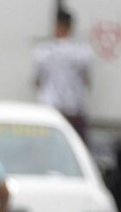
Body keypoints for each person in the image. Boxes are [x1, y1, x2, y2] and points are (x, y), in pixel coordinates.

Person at [33, 7, 93, 141]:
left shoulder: (43, 51)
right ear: (71, 26)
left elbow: (37, 81)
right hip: (74, 109)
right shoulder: (82, 52)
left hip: (49, 108)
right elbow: (87, 80)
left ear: (56, 25)